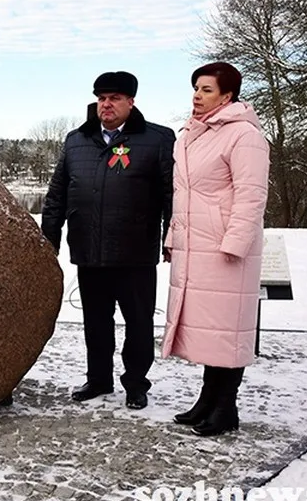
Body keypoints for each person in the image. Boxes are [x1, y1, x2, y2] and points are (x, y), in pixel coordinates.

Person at [41, 71, 174, 410]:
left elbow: (172, 195)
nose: (106, 104)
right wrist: (49, 240)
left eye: (114, 98)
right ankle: (99, 379)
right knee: (96, 323)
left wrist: (172, 237)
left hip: (135, 253)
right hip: (89, 249)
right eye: (101, 98)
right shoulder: (76, 141)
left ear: (131, 101)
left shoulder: (157, 140)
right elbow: (57, 193)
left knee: (139, 324)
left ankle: (135, 384)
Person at [163, 62, 270, 437]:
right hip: (197, 247)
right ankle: (207, 400)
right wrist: (174, 237)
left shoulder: (245, 136)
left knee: (228, 331)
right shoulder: (190, 135)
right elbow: (184, 195)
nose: (197, 95)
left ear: (228, 96)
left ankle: (226, 407)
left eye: (207, 89)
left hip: (226, 249)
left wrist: (236, 242)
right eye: (195, 88)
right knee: (211, 332)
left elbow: (251, 195)